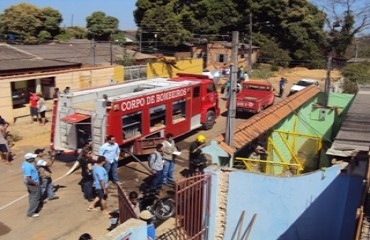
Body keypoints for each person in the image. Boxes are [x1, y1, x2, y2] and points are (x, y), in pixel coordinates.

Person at [22, 153, 41, 217]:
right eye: (33, 158)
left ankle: (33, 208)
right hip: (32, 184)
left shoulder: (25, 164)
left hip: (30, 184)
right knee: (36, 197)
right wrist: (35, 183)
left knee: (32, 196)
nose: (34, 158)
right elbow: (28, 177)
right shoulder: (28, 166)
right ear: (29, 159)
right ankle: (31, 212)